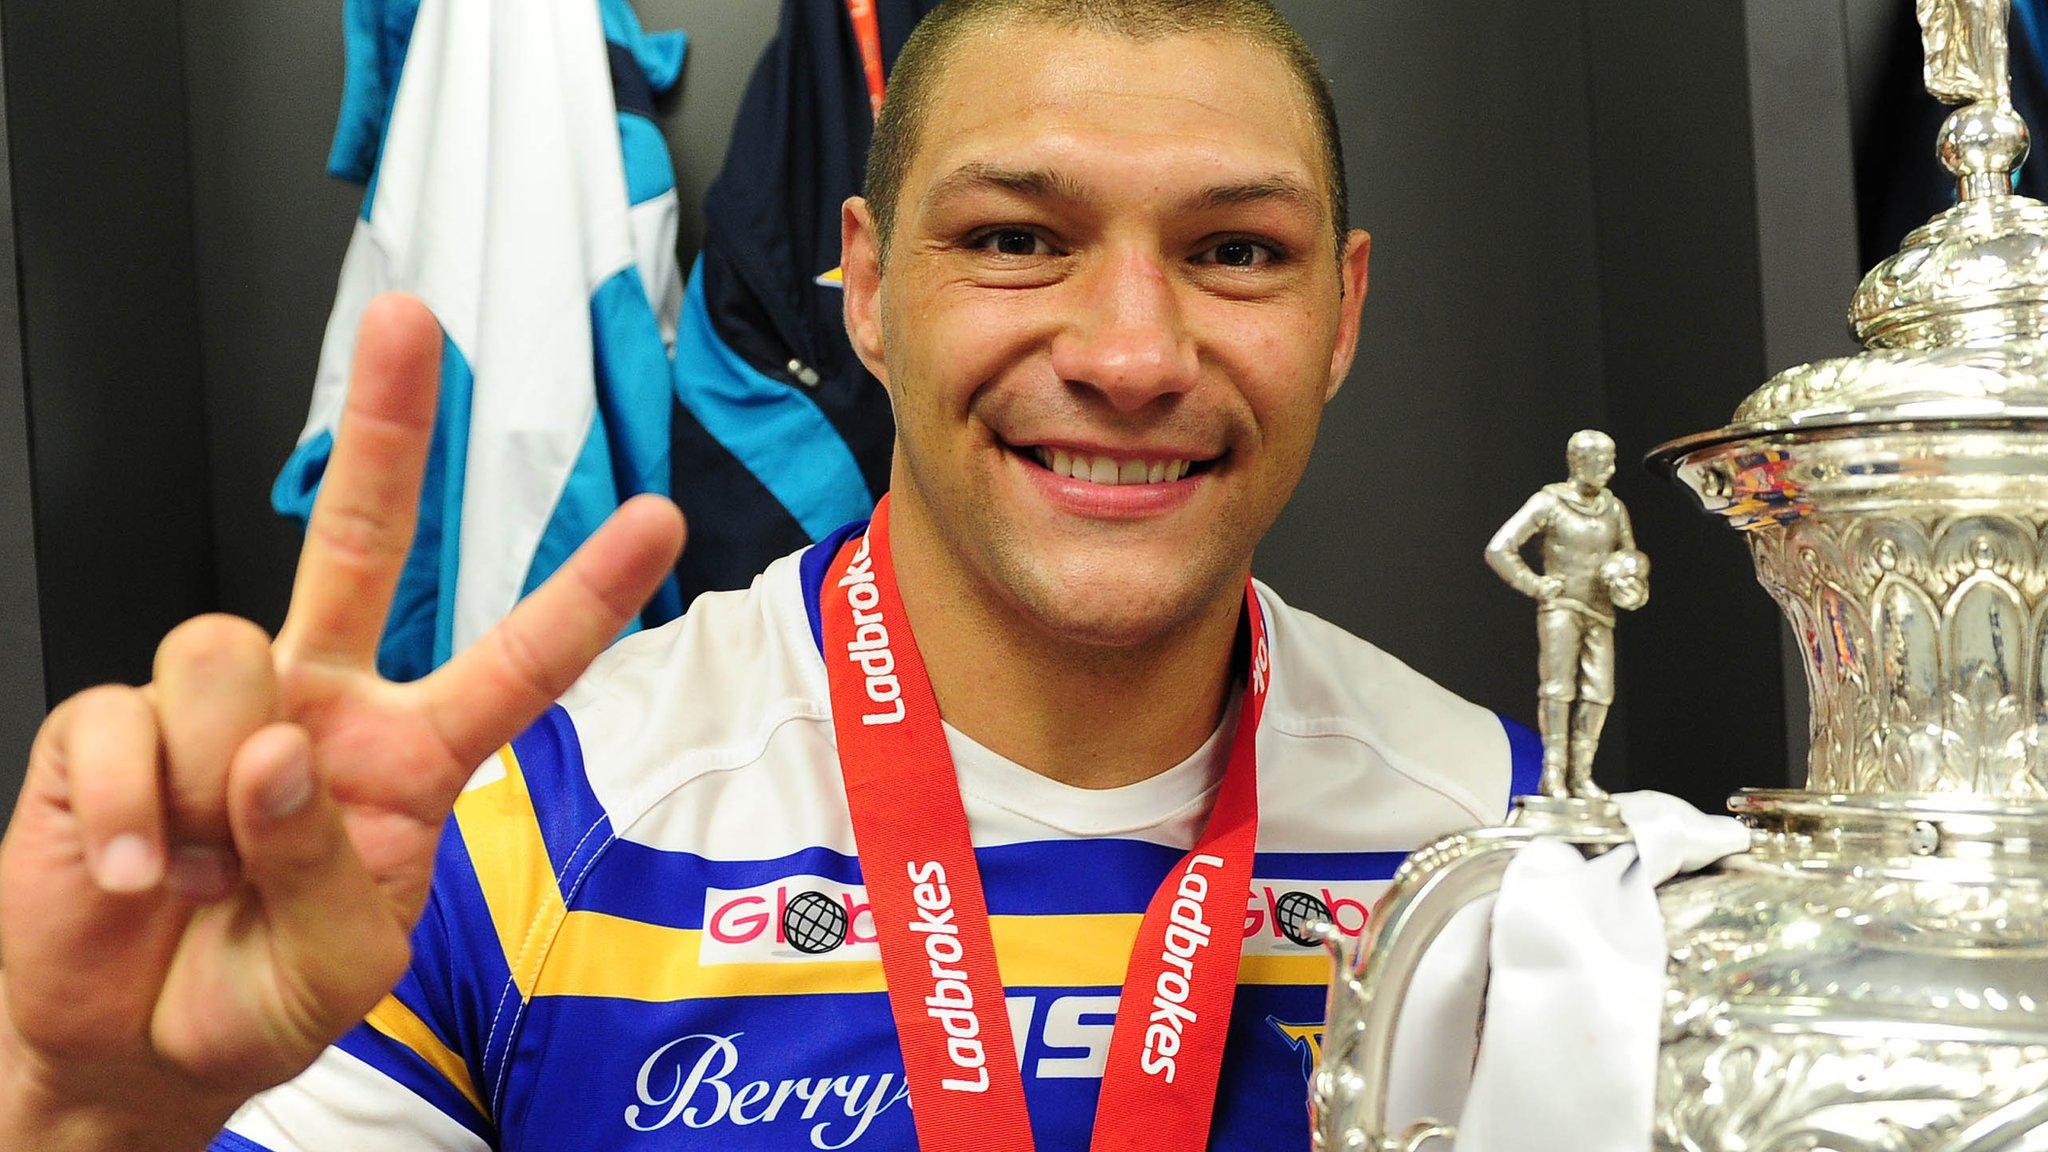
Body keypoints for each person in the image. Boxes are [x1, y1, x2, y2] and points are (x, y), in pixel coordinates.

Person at [0, 1, 1534, 1148]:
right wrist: (88, 1119)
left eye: (1238, 253)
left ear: (1341, 312)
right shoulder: (513, 826)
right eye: (1014, 237)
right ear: (864, 289)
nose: (1132, 354)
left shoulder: (1507, 843)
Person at [1485, 430, 1647, 801]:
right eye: (1601, 461)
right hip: (1562, 608)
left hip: (1600, 612)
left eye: (1612, 460)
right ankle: (1553, 774)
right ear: (1578, 462)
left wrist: (1630, 578)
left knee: (1600, 693)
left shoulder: (1614, 508)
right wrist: (1534, 583)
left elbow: (1632, 556)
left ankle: (1582, 775)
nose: (1610, 469)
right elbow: (1500, 548)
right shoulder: (1550, 502)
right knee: (1558, 690)